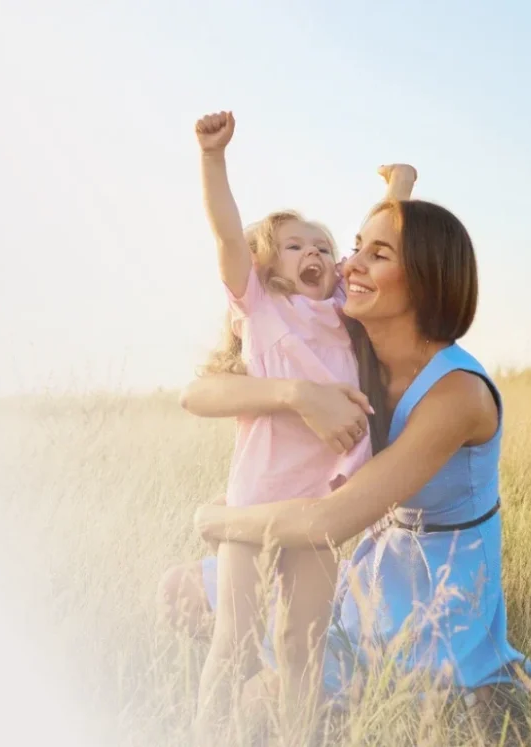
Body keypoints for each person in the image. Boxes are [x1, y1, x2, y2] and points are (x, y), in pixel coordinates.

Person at [161, 195, 531, 717]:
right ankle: (267, 663)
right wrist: (296, 394)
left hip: (435, 593)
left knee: (258, 704)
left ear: (426, 279)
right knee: (180, 590)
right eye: (355, 247)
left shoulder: (458, 394)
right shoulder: (358, 347)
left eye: (376, 254)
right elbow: (197, 394)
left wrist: (220, 518)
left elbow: (326, 523)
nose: (349, 263)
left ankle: (459, 692)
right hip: (375, 568)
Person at [188, 110, 417, 742]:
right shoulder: (260, 308)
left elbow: (375, 247)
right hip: (256, 500)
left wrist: (398, 188)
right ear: (266, 266)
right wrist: (213, 160)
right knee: (235, 642)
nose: (314, 253)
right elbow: (229, 236)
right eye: (295, 246)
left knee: (300, 645)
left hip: (320, 506)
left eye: (322, 245)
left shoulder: (344, 312)